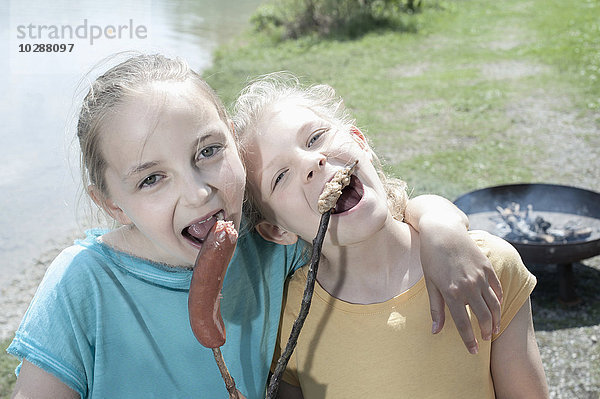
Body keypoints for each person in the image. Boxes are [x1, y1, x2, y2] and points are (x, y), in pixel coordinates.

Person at [8, 54, 502, 399]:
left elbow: (372, 214)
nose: (198, 192)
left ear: (233, 143)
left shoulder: (268, 244)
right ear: (112, 204)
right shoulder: (82, 285)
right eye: (152, 178)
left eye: (207, 151)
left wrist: (439, 225)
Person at [233, 73, 549, 398]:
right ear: (277, 230)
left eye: (315, 138)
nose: (313, 161)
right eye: (280, 175)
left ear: (361, 143)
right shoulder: (288, 318)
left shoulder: (485, 264)